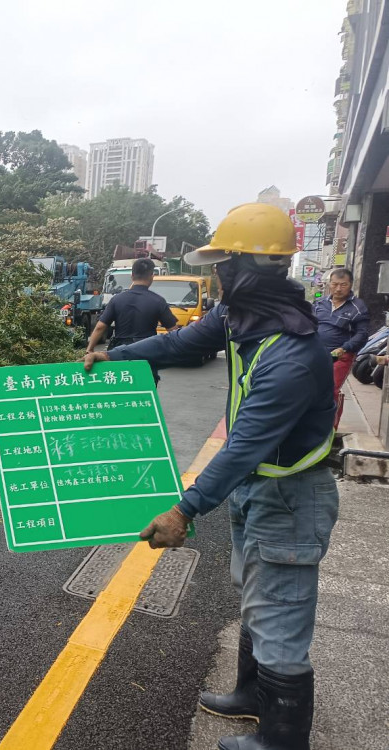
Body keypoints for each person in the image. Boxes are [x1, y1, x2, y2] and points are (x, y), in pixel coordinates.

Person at [84, 203, 337, 750]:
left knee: (280, 615)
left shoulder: (291, 355)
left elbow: (243, 446)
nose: (215, 273)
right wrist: (116, 357)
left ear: (247, 268)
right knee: (255, 596)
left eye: (223, 263)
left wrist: (184, 509)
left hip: (291, 498)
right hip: (260, 491)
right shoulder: (242, 316)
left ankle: (282, 742)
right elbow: (179, 344)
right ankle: (252, 696)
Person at [313, 268, 369, 429]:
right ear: (329, 284)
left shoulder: (358, 307)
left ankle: (330, 427)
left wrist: (344, 348)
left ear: (350, 285)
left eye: (343, 285)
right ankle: (311, 424)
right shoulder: (320, 304)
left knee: (331, 390)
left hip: (340, 355)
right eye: (335, 284)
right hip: (316, 354)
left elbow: (362, 334)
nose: (338, 288)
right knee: (310, 389)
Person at [86, 258, 178, 355]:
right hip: (147, 351)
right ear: (152, 277)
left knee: (123, 371)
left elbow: (100, 327)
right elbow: (173, 330)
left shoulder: (116, 300)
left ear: (132, 276)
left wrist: (90, 349)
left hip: (121, 352)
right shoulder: (158, 301)